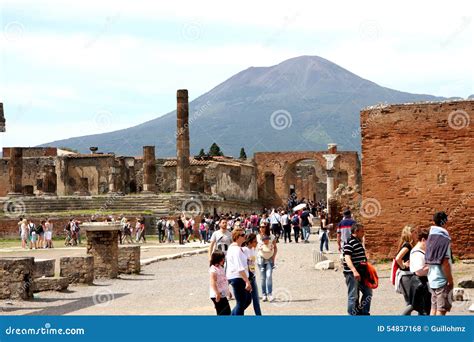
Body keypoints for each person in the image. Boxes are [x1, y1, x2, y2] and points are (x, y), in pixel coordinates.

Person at [425, 211, 453, 316]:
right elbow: (445, 262)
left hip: (431, 278)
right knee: (441, 310)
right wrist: (450, 280)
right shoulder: (444, 239)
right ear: (445, 222)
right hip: (442, 279)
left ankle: (430, 331)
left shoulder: (430, 238)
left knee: (433, 308)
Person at [343, 223, 372, 315]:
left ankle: (363, 312)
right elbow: (347, 258)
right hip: (352, 274)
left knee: (368, 292)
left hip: (362, 273)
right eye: (362, 231)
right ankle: (353, 315)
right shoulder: (350, 242)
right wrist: (354, 271)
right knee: (353, 296)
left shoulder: (358, 242)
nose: (364, 233)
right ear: (356, 231)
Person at [226, 228, 252, 315]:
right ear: (237, 237)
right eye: (242, 235)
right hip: (238, 278)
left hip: (238, 277)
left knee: (247, 300)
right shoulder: (236, 250)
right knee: (241, 303)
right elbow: (239, 267)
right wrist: (247, 281)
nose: (245, 236)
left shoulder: (235, 248)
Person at [406, 228, 431, 315]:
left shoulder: (421, 251)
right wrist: (433, 265)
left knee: (423, 310)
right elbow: (419, 272)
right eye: (429, 241)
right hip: (420, 283)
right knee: (423, 311)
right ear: (423, 240)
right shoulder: (417, 253)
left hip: (422, 283)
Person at [395, 225, 417, 305]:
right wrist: (403, 266)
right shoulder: (407, 245)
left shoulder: (408, 245)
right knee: (410, 303)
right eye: (415, 232)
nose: (417, 234)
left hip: (409, 276)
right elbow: (398, 258)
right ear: (410, 234)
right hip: (407, 276)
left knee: (411, 302)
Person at [243, 233, 262, 315]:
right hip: (246, 278)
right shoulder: (244, 250)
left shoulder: (253, 249)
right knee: (246, 301)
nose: (256, 243)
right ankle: (235, 313)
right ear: (249, 242)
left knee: (256, 300)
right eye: (255, 242)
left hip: (252, 277)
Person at [209, 250, 231, 315]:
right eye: (222, 259)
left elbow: (224, 281)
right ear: (217, 259)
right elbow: (213, 282)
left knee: (227, 312)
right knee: (222, 312)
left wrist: (228, 291)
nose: (224, 260)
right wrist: (217, 293)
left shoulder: (220, 267)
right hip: (217, 294)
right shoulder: (213, 269)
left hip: (222, 294)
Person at [258, 234, 275, 302]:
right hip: (261, 261)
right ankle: (264, 294)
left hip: (269, 261)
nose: (266, 240)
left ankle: (270, 293)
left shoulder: (271, 244)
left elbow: (273, 249)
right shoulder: (260, 245)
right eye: (265, 239)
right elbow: (260, 250)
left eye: (267, 239)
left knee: (269, 276)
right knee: (263, 278)